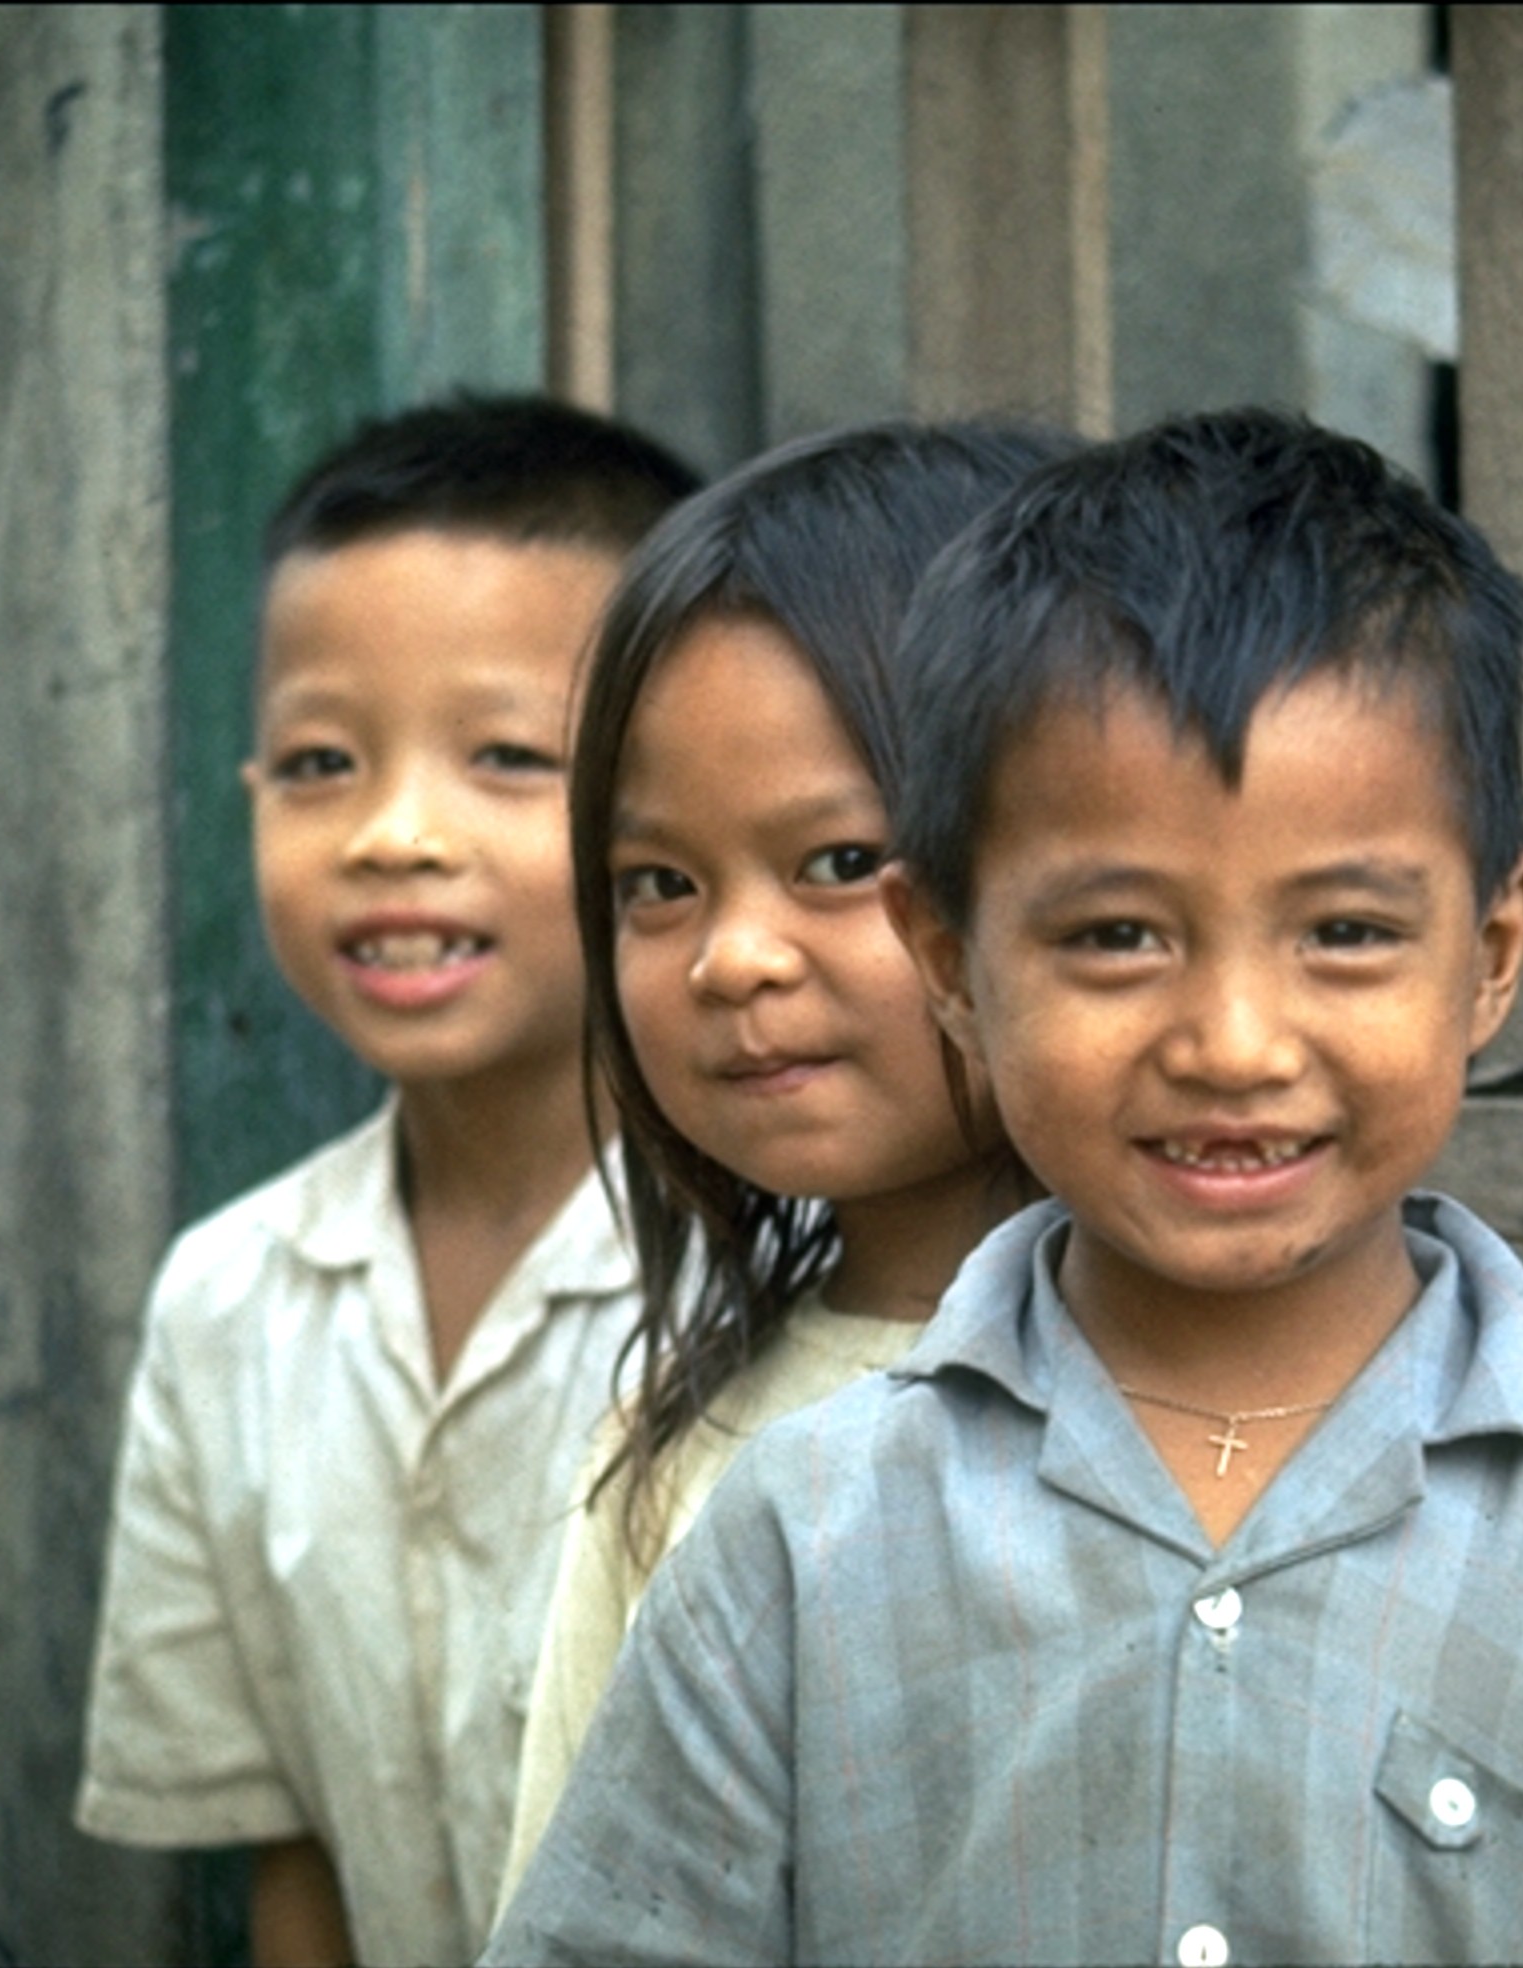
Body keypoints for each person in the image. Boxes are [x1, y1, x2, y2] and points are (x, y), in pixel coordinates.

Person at [487, 408, 1523, 1966]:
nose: (1234, 1046)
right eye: (1118, 935)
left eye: (1346, 935)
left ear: (1495, 951)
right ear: (952, 961)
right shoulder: (799, 1532)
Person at [71, 396, 697, 1967]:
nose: (393, 835)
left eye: (504, 756)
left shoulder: (797, 1287)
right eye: (320, 763)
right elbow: (300, 1863)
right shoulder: (229, 1305)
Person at [495, 422, 1071, 1899]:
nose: (732, 959)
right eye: (660, 885)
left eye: (834, 863)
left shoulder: (1255, 1397)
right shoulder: (676, 1467)